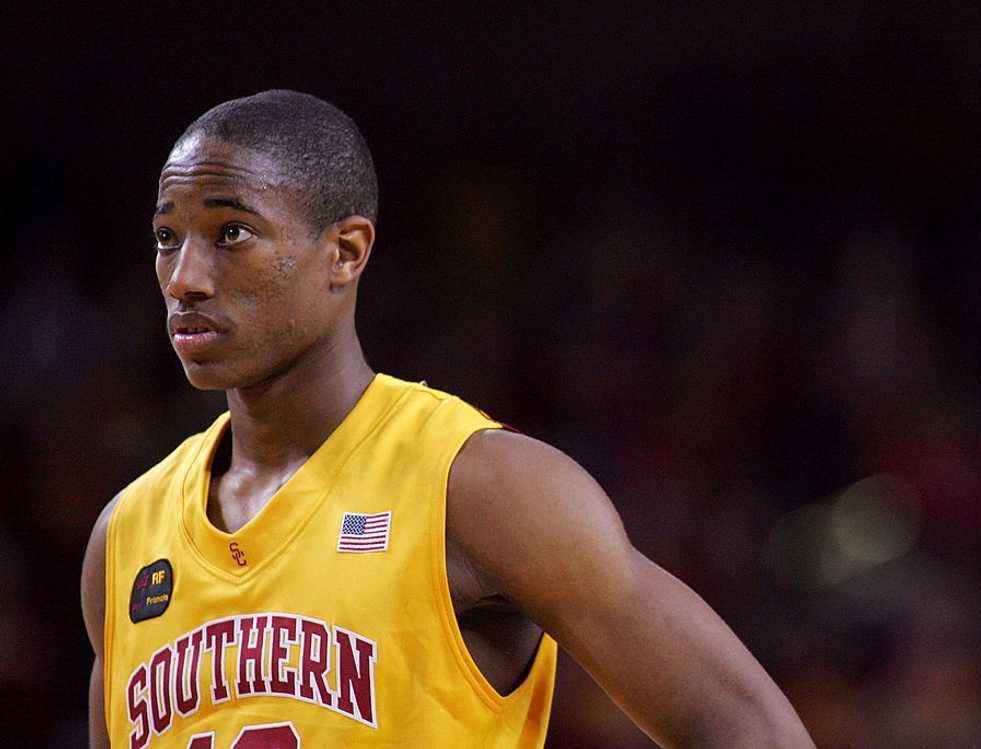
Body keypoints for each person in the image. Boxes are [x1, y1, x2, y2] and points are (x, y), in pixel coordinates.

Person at [80, 89, 816, 748]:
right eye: (167, 237)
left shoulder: (480, 485)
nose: (184, 278)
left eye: (231, 232)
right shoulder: (124, 537)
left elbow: (752, 729)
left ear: (344, 252)